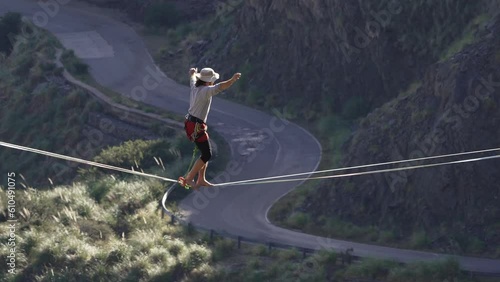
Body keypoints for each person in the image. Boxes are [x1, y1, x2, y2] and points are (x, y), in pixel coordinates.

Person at [179, 67, 241, 190]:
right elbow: (220, 86)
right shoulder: (205, 90)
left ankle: (201, 178)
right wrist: (232, 80)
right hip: (196, 126)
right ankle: (190, 178)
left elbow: (192, 77)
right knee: (207, 154)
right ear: (208, 81)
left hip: (192, 124)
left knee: (205, 152)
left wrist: (192, 73)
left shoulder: (195, 86)